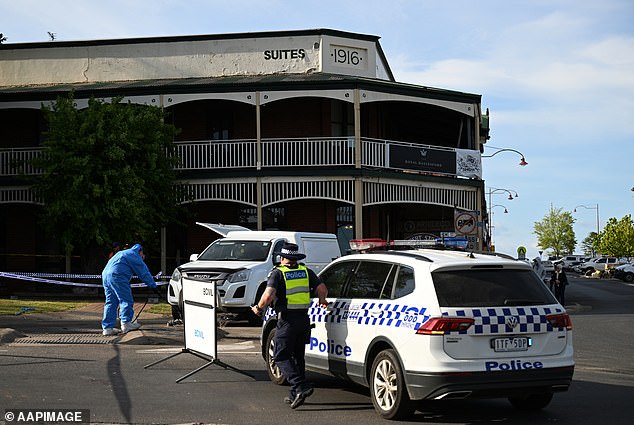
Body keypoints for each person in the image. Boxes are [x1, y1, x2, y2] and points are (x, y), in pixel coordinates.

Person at [251, 242, 328, 409]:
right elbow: (322, 287)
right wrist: (322, 299)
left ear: (282, 257)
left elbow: (268, 294)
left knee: (280, 356)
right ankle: (295, 394)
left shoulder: (278, 273)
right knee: (297, 356)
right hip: (304, 320)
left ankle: (301, 386)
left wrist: (258, 308)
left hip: (287, 321)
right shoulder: (306, 271)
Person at [101, 243, 158, 335]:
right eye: (142, 256)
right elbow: (143, 272)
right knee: (126, 300)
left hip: (106, 276)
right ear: (140, 252)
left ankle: (107, 328)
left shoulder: (122, 253)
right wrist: (153, 285)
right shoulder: (134, 255)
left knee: (111, 302)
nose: (142, 258)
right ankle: (126, 323)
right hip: (118, 276)